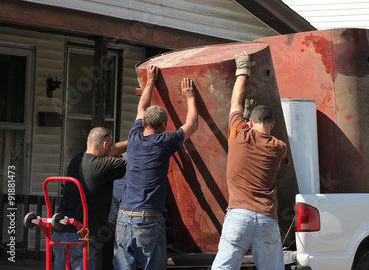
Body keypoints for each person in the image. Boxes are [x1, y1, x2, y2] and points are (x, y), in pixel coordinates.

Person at [114, 65, 198, 270]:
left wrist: (150, 82)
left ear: (144, 124)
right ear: (163, 126)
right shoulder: (164, 141)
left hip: (124, 218)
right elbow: (192, 125)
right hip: (147, 221)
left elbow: (141, 109)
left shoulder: (134, 136)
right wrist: (190, 97)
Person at [211, 51, 288, 270]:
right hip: (266, 218)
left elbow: (235, 102)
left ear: (249, 122)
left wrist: (242, 68)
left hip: (238, 216)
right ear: (272, 125)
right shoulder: (279, 148)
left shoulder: (238, 133)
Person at [52, 127, 128, 270]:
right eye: (110, 145)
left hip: (61, 232)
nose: (111, 148)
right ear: (105, 145)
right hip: (81, 235)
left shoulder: (77, 160)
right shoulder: (103, 166)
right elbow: (137, 162)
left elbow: (108, 152)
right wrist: (139, 142)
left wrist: (127, 144)